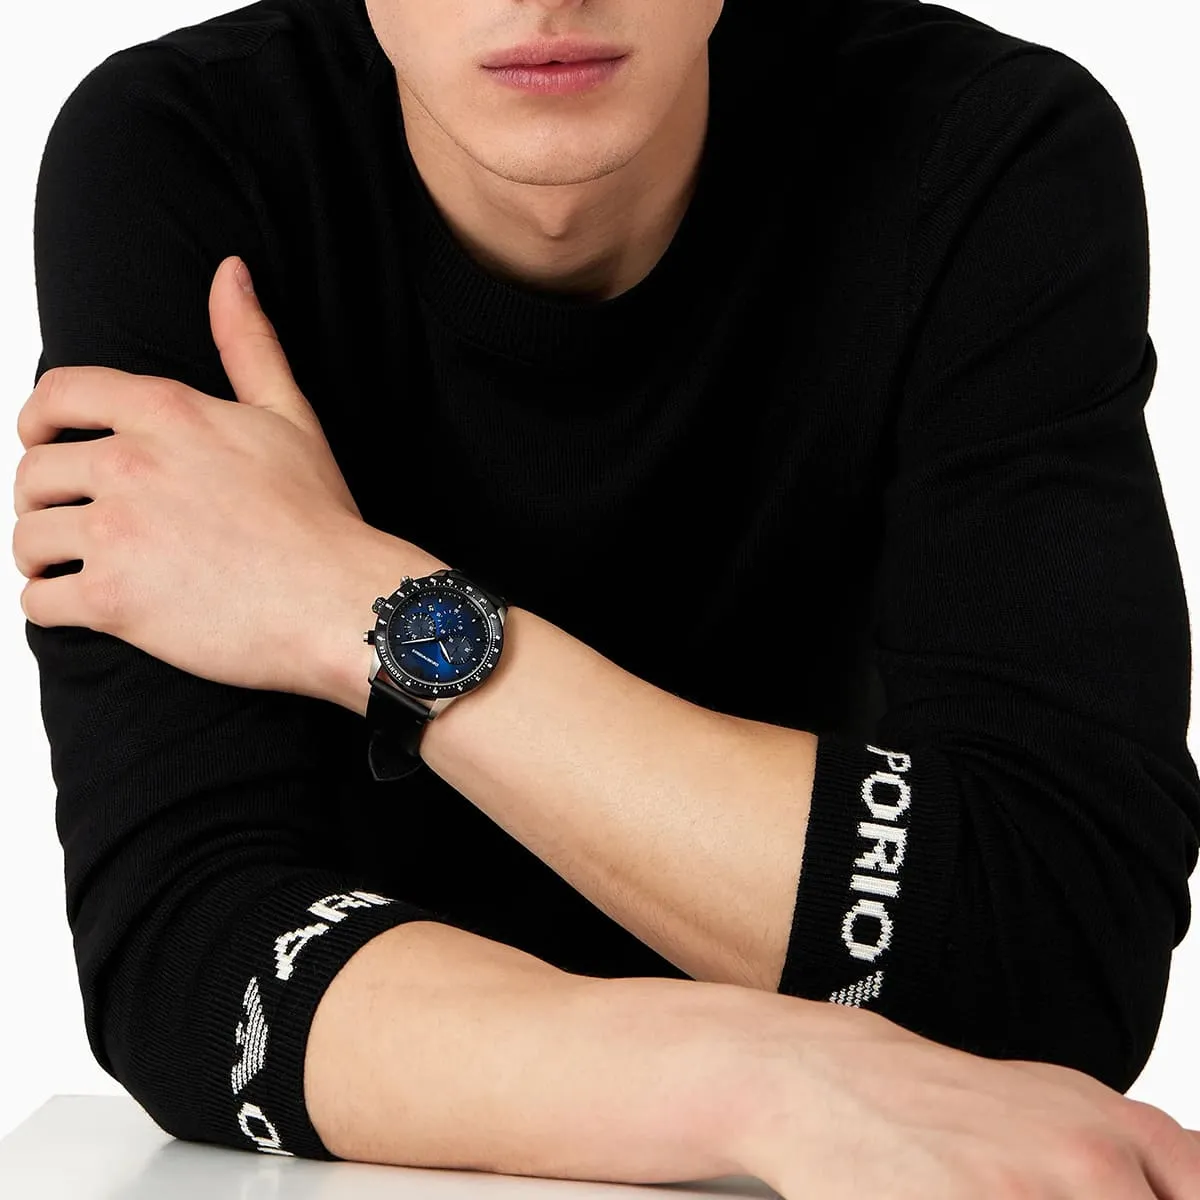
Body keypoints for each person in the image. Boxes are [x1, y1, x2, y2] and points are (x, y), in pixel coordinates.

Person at [14, 0, 1200, 1193]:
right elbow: (188, 959)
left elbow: (1056, 970)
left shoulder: (976, 150)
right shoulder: (188, 152)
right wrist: (758, 1081)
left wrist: (353, 604)